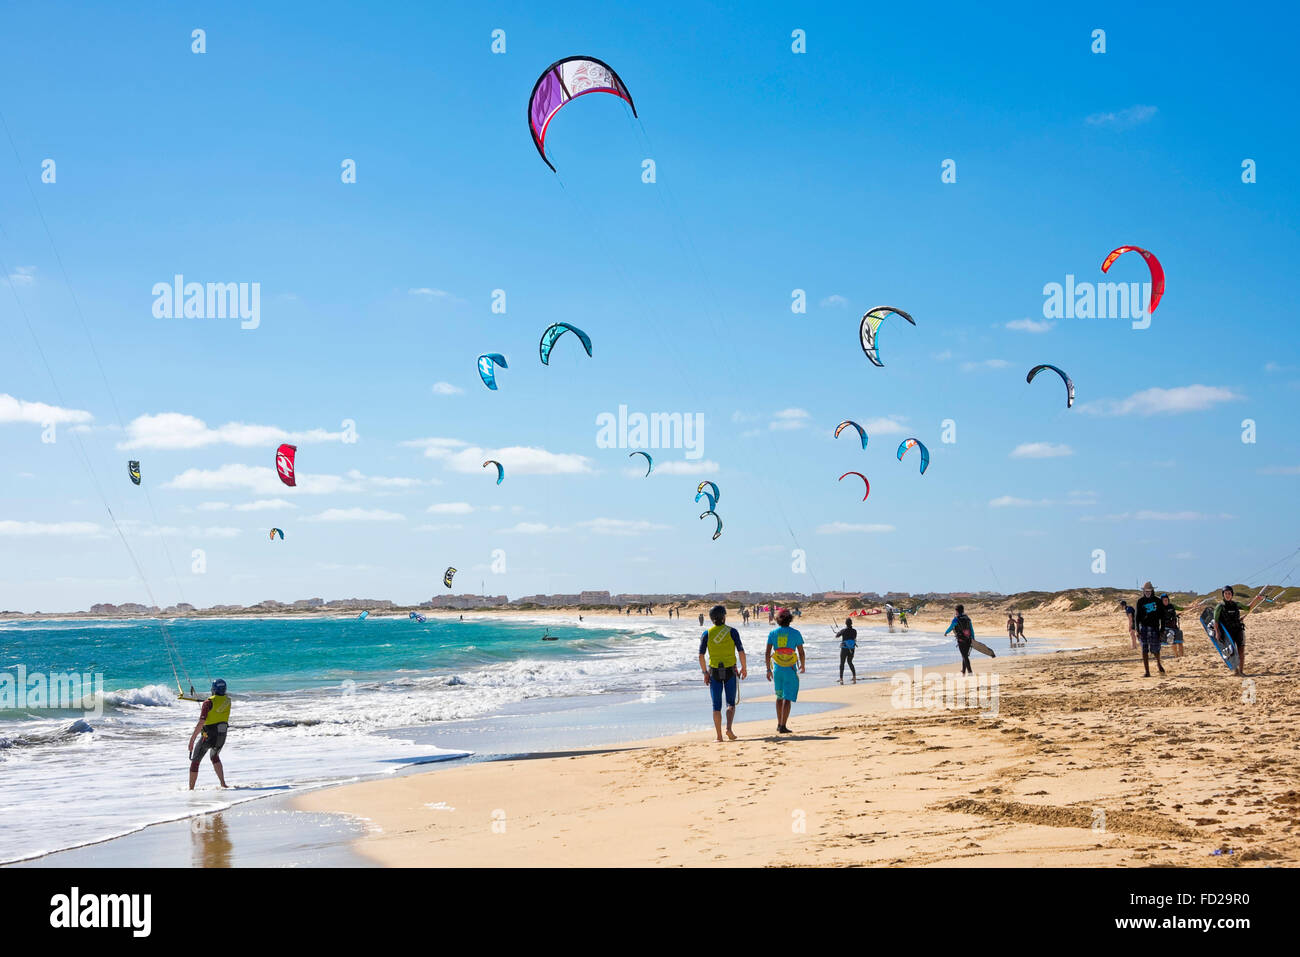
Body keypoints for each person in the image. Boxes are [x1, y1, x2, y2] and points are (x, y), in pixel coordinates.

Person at [699, 605, 748, 742]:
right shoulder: (732, 631)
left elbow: (701, 656)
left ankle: (719, 736)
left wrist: (704, 673)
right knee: (730, 703)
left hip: (714, 672)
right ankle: (729, 729)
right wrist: (744, 668)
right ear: (724, 617)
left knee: (716, 706)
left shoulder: (706, 634)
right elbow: (741, 651)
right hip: (730, 671)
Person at [765, 609, 805, 734]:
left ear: (777, 620)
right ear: (790, 619)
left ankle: (779, 724)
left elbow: (767, 653)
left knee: (779, 696)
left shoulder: (773, 633)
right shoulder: (796, 633)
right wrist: (802, 665)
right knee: (787, 698)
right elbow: (801, 652)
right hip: (790, 668)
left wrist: (768, 669)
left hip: (777, 668)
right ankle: (783, 725)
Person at [189, 679, 231, 790]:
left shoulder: (208, 703)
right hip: (221, 737)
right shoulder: (228, 700)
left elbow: (201, 722)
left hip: (209, 737)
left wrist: (192, 739)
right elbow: (218, 705)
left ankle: (191, 789)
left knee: (195, 761)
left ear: (213, 689)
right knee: (214, 756)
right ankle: (223, 783)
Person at [1131, 581, 1166, 677]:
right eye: (1146, 591)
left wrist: (1162, 630)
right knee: (1144, 650)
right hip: (1144, 628)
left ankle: (1158, 663)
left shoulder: (1158, 601)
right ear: (1143, 591)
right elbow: (1137, 617)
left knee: (1156, 649)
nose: (1147, 592)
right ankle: (1147, 672)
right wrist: (1137, 630)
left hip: (1155, 628)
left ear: (1152, 590)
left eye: (1149, 591)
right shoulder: (1140, 601)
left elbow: (1162, 617)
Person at [1213, 586, 1247, 676]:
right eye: (1226, 593)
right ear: (1223, 595)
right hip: (1228, 632)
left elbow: (1248, 608)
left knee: (1241, 651)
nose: (1227, 595)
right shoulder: (1219, 606)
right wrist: (1217, 632)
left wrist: (1256, 599)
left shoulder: (1236, 604)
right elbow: (1215, 621)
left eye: (1229, 593)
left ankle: (1241, 671)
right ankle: (1235, 670)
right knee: (1232, 652)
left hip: (1238, 630)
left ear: (1232, 594)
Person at [944, 604, 976, 675]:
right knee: (965, 655)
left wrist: (946, 632)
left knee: (964, 656)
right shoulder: (967, 618)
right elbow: (971, 629)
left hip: (961, 640)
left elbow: (951, 627)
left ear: (957, 611)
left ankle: (970, 672)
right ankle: (963, 671)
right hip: (968, 639)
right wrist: (973, 638)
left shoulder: (956, 619)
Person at [1160, 593, 1184, 658]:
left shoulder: (1172, 606)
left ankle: (1182, 657)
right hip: (1166, 628)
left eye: (1167, 600)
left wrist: (1193, 606)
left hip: (1174, 626)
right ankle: (1176, 655)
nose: (1166, 601)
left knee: (1180, 642)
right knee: (1173, 643)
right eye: (1164, 600)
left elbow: (1182, 608)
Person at [835, 617, 858, 684]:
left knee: (842, 663)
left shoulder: (843, 630)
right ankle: (854, 676)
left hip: (844, 649)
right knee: (850, 662)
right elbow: (854, 637)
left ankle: (841, 678)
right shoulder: (854, 631)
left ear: (846, 623)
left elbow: (837, 636)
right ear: (851, 623)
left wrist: (839, 632)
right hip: (852, 649)